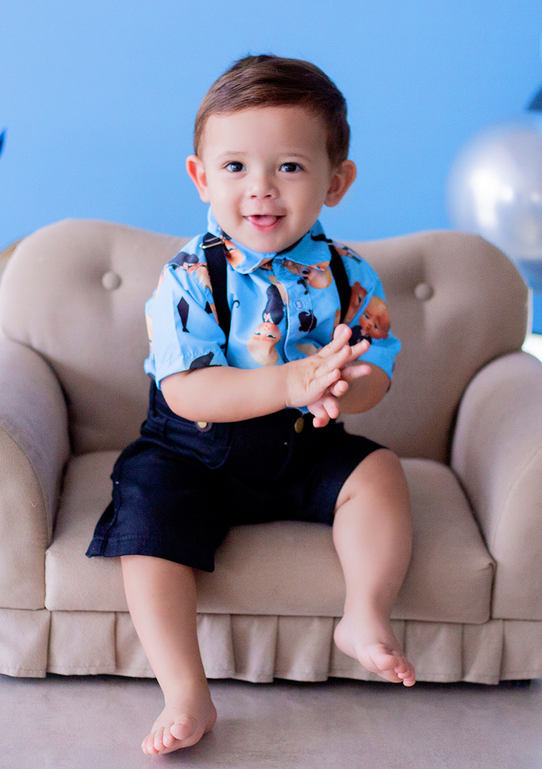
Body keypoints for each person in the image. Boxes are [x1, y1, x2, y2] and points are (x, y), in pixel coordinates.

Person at [86, 55, 415, 755]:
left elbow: (377, 371)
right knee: (144, 510)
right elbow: (186, 386)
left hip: (305, 444)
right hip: (194, 449)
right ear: (201, 177)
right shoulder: (188, 278)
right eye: (235, 167)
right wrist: (292, 381)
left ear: (337, 181)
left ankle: (364, 613)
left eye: (290, 167)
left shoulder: (351, 276)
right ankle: (185, 690)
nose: (261, 189)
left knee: (379, 473)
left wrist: (340, 388)